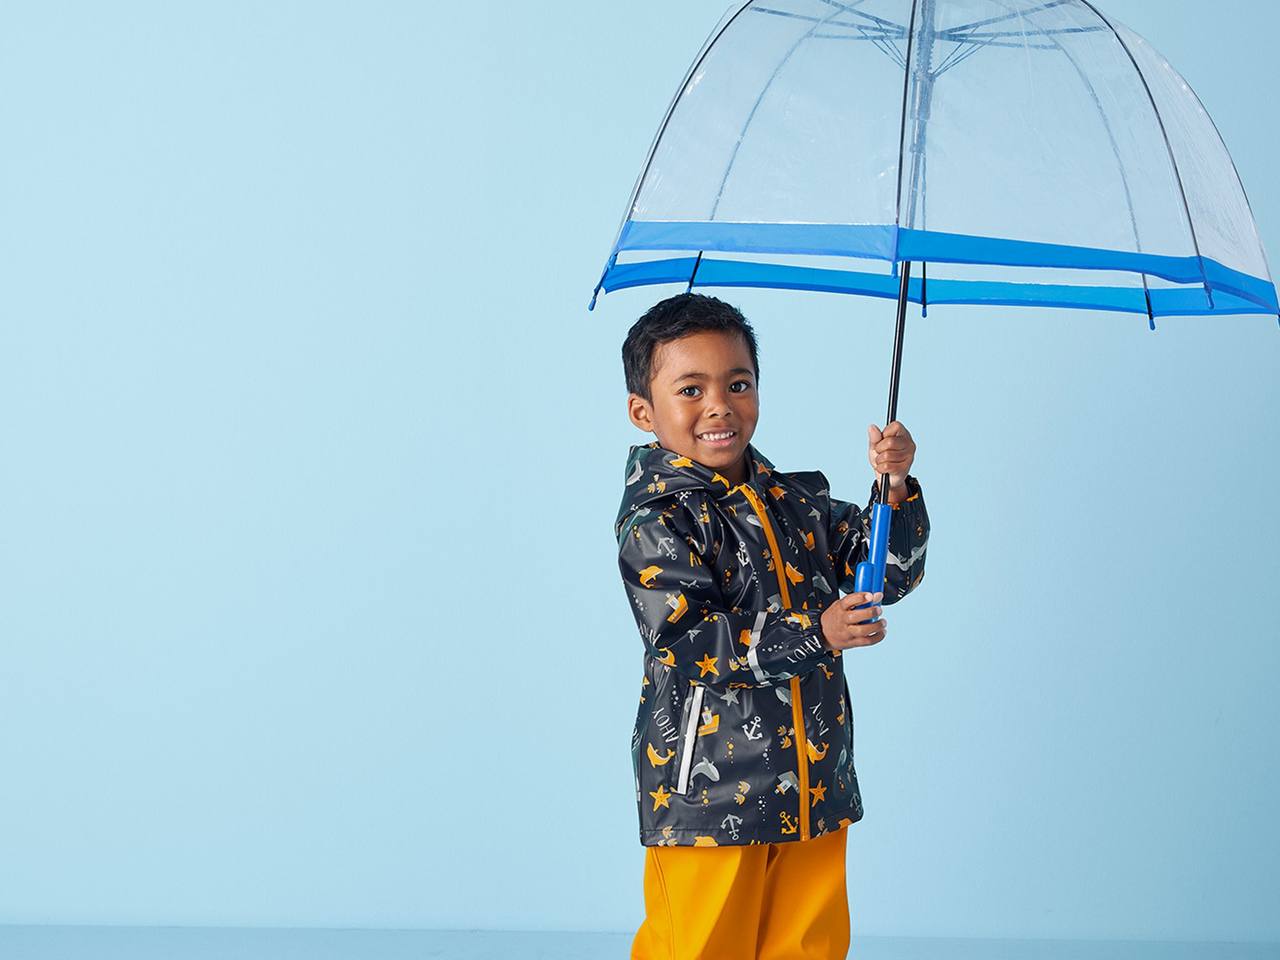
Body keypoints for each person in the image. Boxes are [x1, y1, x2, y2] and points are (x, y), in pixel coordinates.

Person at [616, 293, 930, 960]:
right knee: (700, 946)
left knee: (807, 945)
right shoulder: (658, 520)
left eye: (738, 384)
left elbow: (885, 576)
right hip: (709, 793)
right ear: (643, 411)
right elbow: (692, 640)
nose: (719, 406)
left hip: (813, 781)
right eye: (691, 390)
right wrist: (820, 632)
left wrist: (894, 488)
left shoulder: (796, 503)